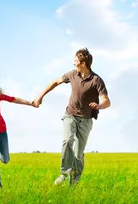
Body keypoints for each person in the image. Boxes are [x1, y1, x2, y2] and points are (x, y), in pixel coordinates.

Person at [33, 47, 111, 186]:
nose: (73, 62)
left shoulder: (96, 80)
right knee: (67, 141)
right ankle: (64, 173)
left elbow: (106, 101)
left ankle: (73, 184)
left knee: (78, 154)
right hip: (70, 115)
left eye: (75, 60)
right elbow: (55, 82)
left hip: (86, 120)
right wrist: (40, 96)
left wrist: (99, 106)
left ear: (83, 63)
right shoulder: (72, 74)